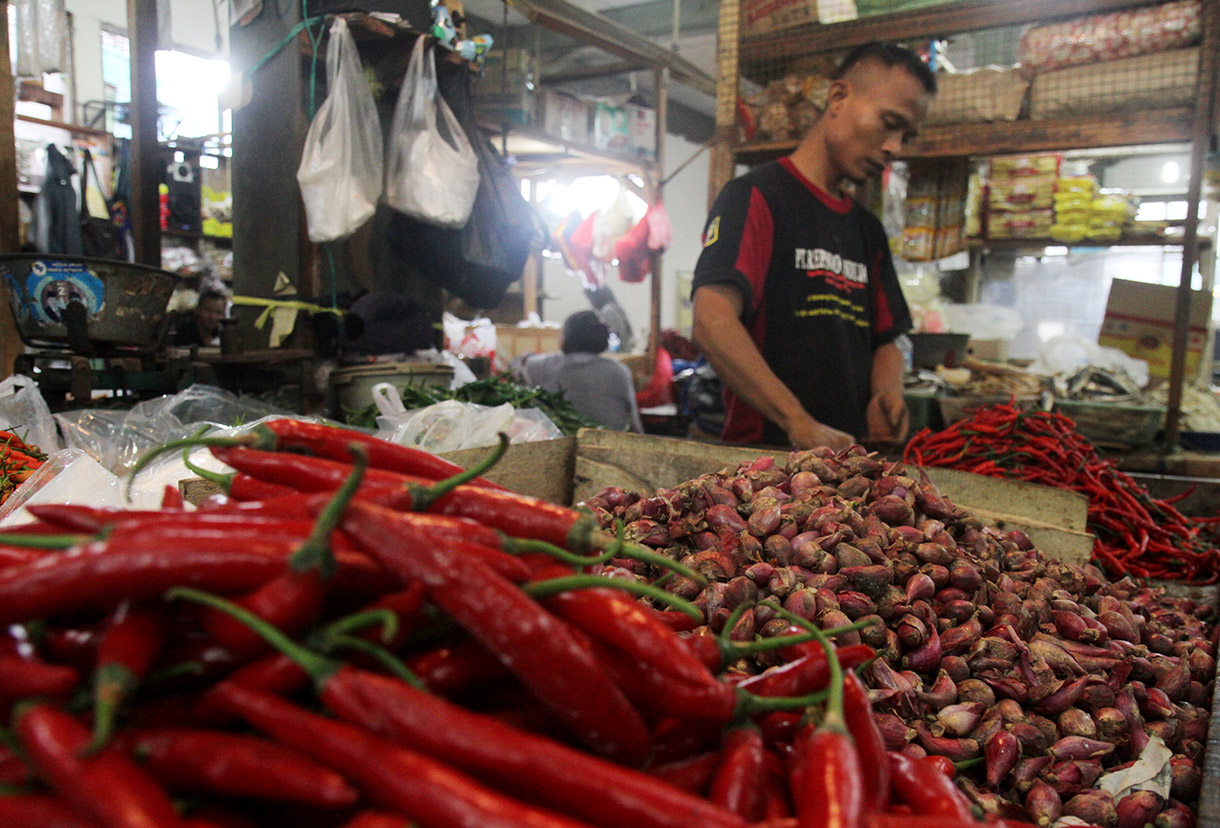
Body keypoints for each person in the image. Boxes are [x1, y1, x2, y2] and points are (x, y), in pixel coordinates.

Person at [691, 42, 936, 451]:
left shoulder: (866, 229)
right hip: (762, 465)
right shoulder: (755, 197)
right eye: (888, 122)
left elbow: (887, 339)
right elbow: (711, 320)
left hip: (846, 462)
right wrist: (796, 420)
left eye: (905, 135)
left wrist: (886, 395)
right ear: (839, 98)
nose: (894, 147)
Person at [519, 310, 643, 433]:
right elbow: (635, 424)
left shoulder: (543, 366)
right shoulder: (619, 371)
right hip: (611, 443)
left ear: (566, 336)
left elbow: (521, 365)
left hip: (564, 443)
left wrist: (525, 358)